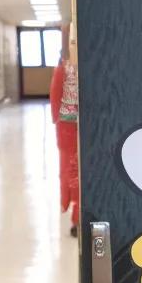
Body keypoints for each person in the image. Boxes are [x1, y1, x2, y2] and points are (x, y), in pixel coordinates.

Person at [50, 25, 79, 235]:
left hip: (84, 127)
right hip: (69, 129)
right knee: (72, 171)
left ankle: (80, 214)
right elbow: (56, 99)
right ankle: (77, 217)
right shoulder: (63, 70)